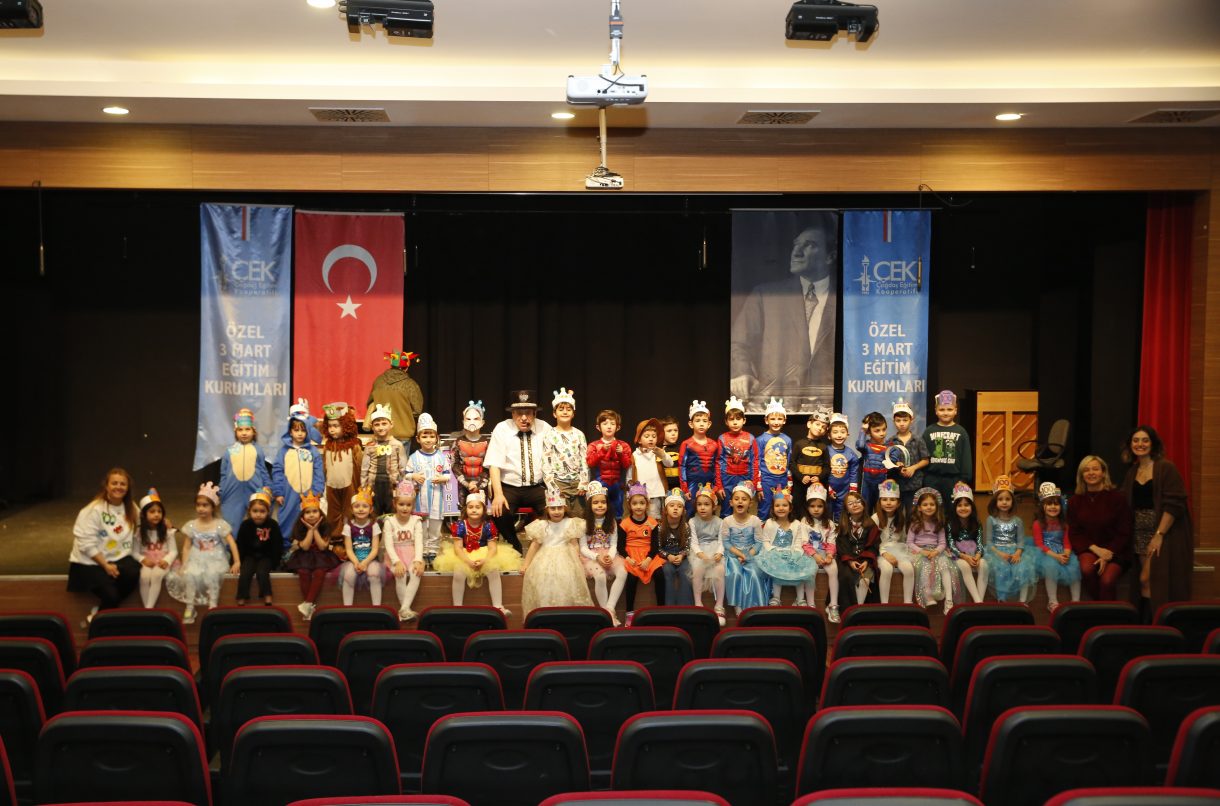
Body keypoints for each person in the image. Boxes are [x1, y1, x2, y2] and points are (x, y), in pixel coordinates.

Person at [730, 212, 838, 410]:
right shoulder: (766, 296)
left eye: (809, 245)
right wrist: (741, 372)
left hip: (828, 407)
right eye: (796, 245)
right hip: (774, 406)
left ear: (830, 256)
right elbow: (739, 343)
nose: (796, 252)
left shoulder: (845, 299)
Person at [1120, 425, 1193, 618]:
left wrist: (1159, 534)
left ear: (1153, 444)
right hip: (1139, 534)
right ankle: (1147, 626)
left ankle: (1159, 625)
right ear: (1130, 445)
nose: (1140, 444)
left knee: (1150, 578)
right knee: (1144, 582)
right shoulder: (1133, 471)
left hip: (1163, 533)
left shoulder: (1165, 468)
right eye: (1136, 440)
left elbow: (1174, 504)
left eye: (1145, 440)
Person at [68, 467, 141, 620]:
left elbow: (145, 521)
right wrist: (105, 565)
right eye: (114, 483)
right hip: (90, 562)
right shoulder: (93, 510)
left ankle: (100, 613)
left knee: (134, 573)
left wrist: (164, 523)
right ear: (106, 486)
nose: (118, 487)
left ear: (128, 488)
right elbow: (85, 543)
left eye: (123, 484)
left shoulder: (131, 507)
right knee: (111, 596)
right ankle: (99, 621)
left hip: (117, 558)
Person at [486, 389, 552, 553]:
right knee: (499, 512)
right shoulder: (502, 429)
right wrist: (498, 494)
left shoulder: (545, 428)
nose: (523, 418)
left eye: (528, 413)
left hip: (537, 487)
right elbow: (494, 464)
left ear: (535, 413)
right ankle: (514, 545)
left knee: (555, 509)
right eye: (519, 413)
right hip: (509, 487)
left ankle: (544, 548)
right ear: (512, 414)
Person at [434, 491, 520, 616]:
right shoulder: (460, 525)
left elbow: (492, 548)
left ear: (484, 510)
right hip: (464, 554)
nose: (474, 510)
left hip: (485, 553)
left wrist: (485, 560)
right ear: (466, 509)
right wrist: (468, 561)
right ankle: (457, 607)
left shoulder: (488, 525)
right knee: (459, 573)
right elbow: (458, 548)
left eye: (477, 507)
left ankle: (498, 606)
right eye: (470, 507)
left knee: (493, 571)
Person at [166, 481, 239, 624]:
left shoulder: (219, 525)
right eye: (198, 505)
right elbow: (187, 547)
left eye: (205, 505)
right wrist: (184, 564)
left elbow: (232, 543)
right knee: (190, 575)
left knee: (213, 575)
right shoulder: (192, 525)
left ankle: (213, 605)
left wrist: (237, 561)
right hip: (196, 556)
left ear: (213, 507)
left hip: (216, 557)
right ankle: (190, 606)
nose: (201, 508)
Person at [1066, 455, 1133, 601]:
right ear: (1081, 475)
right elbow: (1075, 532)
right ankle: (1101, 607)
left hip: (1116, 549)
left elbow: (1125, 531)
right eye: (1086, 470)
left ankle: (1107, 613)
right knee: (1087, 569)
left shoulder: (1118, 498)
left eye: (1095, 469)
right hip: (1089, 547)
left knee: (1107, 580)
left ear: (1103, 473)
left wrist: (1108, 552)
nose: (1091, 473)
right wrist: (1096, 549)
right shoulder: (1074, 501)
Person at [521, 490, 595, 616]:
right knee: (544, 582)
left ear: (565, 508)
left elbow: (574, 544)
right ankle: (546, 612)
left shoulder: (570, 523)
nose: (556, 511)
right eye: (553, 508)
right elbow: (534, 546)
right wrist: (526, 564)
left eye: (560, 508)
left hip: (566, 557)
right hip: (544, 558)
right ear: (547, 510)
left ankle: (566, 613)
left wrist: (578, 561)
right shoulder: (542, 525)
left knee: (567, 582)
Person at [271, 400, 324, 554]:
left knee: (308, 520)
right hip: (288, 493)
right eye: (296, 430)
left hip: (309, 495)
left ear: (307, 431)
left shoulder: (313, 451)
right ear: (290, 432)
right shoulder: (283, 451)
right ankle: (286, 550)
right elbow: (277, 471)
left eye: (303, 430)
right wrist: (278, 492)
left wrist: (317, 491)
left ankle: (306, 549)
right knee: (287, 519)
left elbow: (318, 472)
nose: (300, 433)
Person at [407, 412, 460, 558]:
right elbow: (406, 474)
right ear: (418, 439)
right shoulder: (414, 457)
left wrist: (442, 478)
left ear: (437, 438)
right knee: (422, 527)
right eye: (424, 436)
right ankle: (422, 550)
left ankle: (433, 551)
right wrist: (413, 476)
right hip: (420, 501)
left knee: (435, 527)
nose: (428, 439)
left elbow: (448, 475)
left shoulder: (441, 457)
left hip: (437, 500)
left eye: (431, 436)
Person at [283, 491, 338, 621]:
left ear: (320, 513)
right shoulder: (299, 527)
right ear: (302, 515)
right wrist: (310, 529)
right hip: (304, 555)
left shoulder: (326, 526)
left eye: (314, 511)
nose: (311, 515)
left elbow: (322, 547)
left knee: (320, 572)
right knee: (303, 571)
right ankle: (309, 607)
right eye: (307, 512)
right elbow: (305, 547)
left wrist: (316, 530)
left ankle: (307, 604)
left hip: (321, 555)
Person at [906, 487, 961, 614]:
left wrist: (936, 551)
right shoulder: (915, 523)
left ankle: (949, 600)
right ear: (919, 508)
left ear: (936, 507)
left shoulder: (939, 523)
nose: (929, 507)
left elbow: (942, 543)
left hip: (936, 551)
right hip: (919, 551)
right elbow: (909, 542)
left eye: (932, 504)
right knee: (924, 565)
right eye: (925, 504)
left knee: (945, 565)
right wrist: (921, 551)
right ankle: (928, 595)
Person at [757, 487, 815, 606]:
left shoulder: (797, 524)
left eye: (784, 505)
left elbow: (798, 541)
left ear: (790, 508)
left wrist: (795, 553)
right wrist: (774, 552)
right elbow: (765, 541)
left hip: (792, 553)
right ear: (773, 508)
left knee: (800, 568)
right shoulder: (769, 523)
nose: (781, 508)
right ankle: (776, 597)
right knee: (777, 567)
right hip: (774, 553)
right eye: (777, 505)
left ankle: (800, 599)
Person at [581, 480, 628, 625]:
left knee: (623, 572)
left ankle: (610, 608)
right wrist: (597, 557)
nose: (600, 505)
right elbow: (583, 547)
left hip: (609, 554)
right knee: (600, 576)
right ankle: (605, 611)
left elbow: (613, 544)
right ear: (589, 505)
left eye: (603, 502)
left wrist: (609, 556)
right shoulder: (583, 523)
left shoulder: (612, 521)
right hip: (591, 557)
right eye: (596, 503)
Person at [983, 474, 1036, 602]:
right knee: (1001, 568)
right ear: (995, 502)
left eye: (1008, 499)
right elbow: (988, 542)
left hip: (1014, 551)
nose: (1004, 502)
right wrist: (1000, 554)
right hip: (996, 552)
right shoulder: (991, 520)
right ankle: (1002, 599)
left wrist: (1018, 553)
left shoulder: (1017, 521)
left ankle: (1022, 601)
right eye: (1000, 499)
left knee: (1024, 567)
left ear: (1012, 502)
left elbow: (1021, 541)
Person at [721, 481, 770, 615]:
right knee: (735, 574)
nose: (740, 501)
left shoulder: (755, 520)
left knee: (754, 573)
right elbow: (726, 543)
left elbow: (758, 542)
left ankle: (754, 604)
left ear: (750, 503)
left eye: (744, 499)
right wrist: (739, 554)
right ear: (731, 503)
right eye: (736, 499)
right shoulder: (727, 521)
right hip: (733, 554)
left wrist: (748, 555)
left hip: (751, 553)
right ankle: (737, 604)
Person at [219, 407, 271, 531]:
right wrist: (222, 490)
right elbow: (224, 473)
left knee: (256, 520)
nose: (244, 433)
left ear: (253, 431)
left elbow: (263, 471)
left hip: (254, 490)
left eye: (247, 429)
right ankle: (233, 542)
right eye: (240, 430)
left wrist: (268, 487)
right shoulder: (229, 451)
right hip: (232, 492)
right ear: (235, 432)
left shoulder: (258, 450)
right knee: (231, 522)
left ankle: (254, 542)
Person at [1033, 482, 1081, 612]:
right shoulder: (1038, 524)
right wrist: (1056, 556)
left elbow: (1067, 542)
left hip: (1061, 550)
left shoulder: (1064, 524)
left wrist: (1066, 554)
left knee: (1074, 566)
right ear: (1042, 506)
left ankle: (1076, 600)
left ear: (1061, 506)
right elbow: (1039, 544)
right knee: (1050, 567)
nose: (1053, 507)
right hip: (1046, 552)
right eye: (1049, 504)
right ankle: (1052, 601)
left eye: (1056, 504)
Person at [541, 387, 590, 516]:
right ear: (554, 413)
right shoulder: (549, 435)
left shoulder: (579, 434)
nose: (565, 412)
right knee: (560, 517)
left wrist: (583, 482)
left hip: (577, 484)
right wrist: (552, 486)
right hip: (558, 483)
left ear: (573, 413)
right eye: (561, 409)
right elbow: (546, 462)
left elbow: (584, 460)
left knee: (579, 517)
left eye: (568, 409)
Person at [320, 401, 363, 544]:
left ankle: (351, 539)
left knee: (350, 513)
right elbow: (325, 467)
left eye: (336, 426)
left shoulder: (354, 446)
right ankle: (335, 539)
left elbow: (359, 466)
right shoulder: (328, 446)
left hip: (349, 485)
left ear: (345, 426)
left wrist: (360, 487)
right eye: (330, 426)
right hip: (332, 485)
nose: (332, 430)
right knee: (333, 514)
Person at [382, 479, 425, 622]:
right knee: (399, 574)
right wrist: (396, 562)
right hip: (395, 555)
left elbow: (418, 543)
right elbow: (388, 545)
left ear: (413, 505)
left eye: (408, 505)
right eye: (401, 504)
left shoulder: (416, 521)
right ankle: (405, 610)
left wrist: (418, 560)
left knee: (416, 573)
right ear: (394, 504)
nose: (405, 508)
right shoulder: (389, 521)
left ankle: (403, 610)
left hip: (411, 554)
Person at [620, 482, 665, 616]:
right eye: (635, 503)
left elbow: (655, 545)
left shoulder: (652, 523)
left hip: (649, 554)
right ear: (630, 505)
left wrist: (648, 559)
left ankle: (661, 609)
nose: (638, 506)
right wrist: (628, 558)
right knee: (631, 579)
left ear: (647, 504)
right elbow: (620, 546)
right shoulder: (624, 524)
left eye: (641, 503)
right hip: (631, 554)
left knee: (660, 575)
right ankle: (629, 613)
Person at [922, 390, 972, 508]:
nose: (945, 413)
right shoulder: (929, 431)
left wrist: (964, 479)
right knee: (933, 509)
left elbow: (966, 456)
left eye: (949, 409)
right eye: (942, 409)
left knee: (952, 509)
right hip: (932, 479)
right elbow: (923, 456)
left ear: (955, 410)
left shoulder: (961, 432)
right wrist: (923, 478)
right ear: (936, 410)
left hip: (954, 480)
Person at [235, 488, 281, 606]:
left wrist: (275, 563)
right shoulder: (245, 525)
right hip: (249, 556)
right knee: (245, 573)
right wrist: (237, 561)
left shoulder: (273, 525)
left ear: (268, 512)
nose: (258, 514)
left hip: (266, 556)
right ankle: (241, 598)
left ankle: (267, 596)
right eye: (255, 511)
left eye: (262, 511)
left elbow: (277, 545)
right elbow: (240, 544)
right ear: (249, 511)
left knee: (262, 572)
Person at [360, 403, 408, 518]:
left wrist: (404, 487)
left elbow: (403, 468)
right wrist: (363, 487)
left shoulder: (397, 445)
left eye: (384, 423)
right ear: (372, 426)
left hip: (392, 486)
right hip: (373, 486)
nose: (381, 427)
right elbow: (364, 469)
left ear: (391, 424)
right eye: (377, 424)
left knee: (391, 514)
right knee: (373, 514)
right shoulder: (369, 446)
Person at [133, 488, 178, 609]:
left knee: (157, 575)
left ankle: (148, 609)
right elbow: (134, 552)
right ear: (144, 514)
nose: (157, 514)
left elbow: (173, 551)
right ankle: (147, 608)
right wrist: (142, 559)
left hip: (163, 562)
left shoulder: (167, 531)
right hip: (147, 562)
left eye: (159, 511)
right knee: (144, 577)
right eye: (152, 512)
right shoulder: (139, 533)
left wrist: (167, 560)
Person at [365, 349, 424, 443]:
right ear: (406, 367)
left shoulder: (378, 381)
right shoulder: (410, 384)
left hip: (382, 433)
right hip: (403, 433)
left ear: (391, 365)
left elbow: (370, 403)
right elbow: (417, 409)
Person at [688, 483, 727, 625]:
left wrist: (719, 553)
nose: (702, 507)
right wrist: (700, 554)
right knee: (697, 569)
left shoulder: (720, 522)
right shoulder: (692, 521)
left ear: (714, 506)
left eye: (706, 504)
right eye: (699, 504)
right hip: (700, 551)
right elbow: (693, 542)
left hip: (715, 549)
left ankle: (719, 605)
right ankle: (698, 603)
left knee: (720, 569)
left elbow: (722, 541)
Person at [802, 483, 840, 622]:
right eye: (812, 506)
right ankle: (811, 604)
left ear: (825, 507)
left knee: (834, 569)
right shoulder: (804, 522)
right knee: (810, 572)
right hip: (810, 554)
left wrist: (829, 555)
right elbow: (804, 543)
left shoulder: (829, 523)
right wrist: (815, 555)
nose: (816, 509)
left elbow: (831, 542)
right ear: (807, 507)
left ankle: (833, 605)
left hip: (824, 554)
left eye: (819, 506)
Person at [717, 395, 760, 517]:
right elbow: (718, 462)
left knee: (743, 509)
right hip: (727, 479)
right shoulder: (722, 438)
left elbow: (755, 461)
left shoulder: (751, 438)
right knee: (726, 510)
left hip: (745, 478)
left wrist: (754, 482)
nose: (735, 422)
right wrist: (719, 485)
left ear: (744, 420)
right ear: (726, 421)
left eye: (738, 418)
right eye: (731, 419)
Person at [340, 486, 383, 606]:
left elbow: (375, 549)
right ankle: (347, 608)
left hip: (371, 559)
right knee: (348, 576)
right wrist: (356, 563)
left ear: (371, 509)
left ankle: (377, 607)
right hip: (353, 559)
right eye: (357, 506)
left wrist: (365, 563)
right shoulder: (348, 526)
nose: (360, 509)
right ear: (352, 509)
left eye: (364, 506)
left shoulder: (374, 525)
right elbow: (349, 549)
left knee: (374, 575)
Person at [587, 408, 633, 520]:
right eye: (605, 423)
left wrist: (621, 454)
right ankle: (599, 530)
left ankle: (617, 529)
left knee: (618, 511)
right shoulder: (594, 445)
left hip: (617, 484)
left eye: (612, 424)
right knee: (600, 510)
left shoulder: (623, 445)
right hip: (600, 483)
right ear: (598, 427)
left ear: (618, 427)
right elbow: (590, 463)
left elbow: (627, 465)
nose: (609, 427)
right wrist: (602, 450)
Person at [873, 480, 914, 604]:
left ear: (898, 503)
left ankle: (908, 603)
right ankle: (884, 604)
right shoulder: (875, 518)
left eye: (892, 500)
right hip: (881, 552)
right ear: (879, 502)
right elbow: (872, 542)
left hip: (898, 550)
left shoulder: (901, 517)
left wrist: (905, 552)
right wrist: (884, 553)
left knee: (909, 569)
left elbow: (903, 539)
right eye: (884, 499)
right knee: (886, 569)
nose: (888, 503)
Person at [947, 482, 989, 604]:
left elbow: (980, 542)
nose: (963, 508)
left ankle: (979, 601)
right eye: (959, 505)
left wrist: (978, 555)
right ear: (955, 508)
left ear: (972, 507)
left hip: (973, 553)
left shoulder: (976, 523)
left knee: (984, 565)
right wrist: (964, 556)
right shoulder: (950, 523)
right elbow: (951, 544)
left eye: (966, 505)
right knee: (965, 566)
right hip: (957, 555)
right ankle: (978, 601)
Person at [836, 490, 877, 609]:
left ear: (863, 504)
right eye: (850, 503)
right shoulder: (844, 525)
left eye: (858, 501)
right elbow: (841, 546)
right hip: (847, 560)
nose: (855, 504)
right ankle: (848, 610)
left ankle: (859, 609)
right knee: (846, 577)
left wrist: (866, 561)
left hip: (865, 559)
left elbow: (874, 545)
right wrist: (850, 561)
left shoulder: (871, 525)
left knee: (865, 580)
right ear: (846, 509)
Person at [887, 398, 931, 511]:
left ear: (911, 420)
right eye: (898, 420)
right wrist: (896, 466)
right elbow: (887, 461)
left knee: (913, 514)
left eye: (905, 420)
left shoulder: (918, 440)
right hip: (896, 485)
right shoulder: (890, 442)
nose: (902, 424)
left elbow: (926, 460)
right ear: (893, 421)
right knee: (897, 515)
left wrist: (913, 468)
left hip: (914, 485)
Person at [679, 400, 721, 516]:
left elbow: (717, 465)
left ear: (709, 424)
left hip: (709, 484)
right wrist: (685, 488)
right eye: (697, 421)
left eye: (704, 421)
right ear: (691, 424)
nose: (701, 424)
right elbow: (682, 466)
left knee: (710, 510)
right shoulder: (686, 444)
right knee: (690, 511)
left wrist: (717, 485)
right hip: (692, 484)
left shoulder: (714, 444)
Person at [656, 489, 695, 606]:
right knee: (667, 571)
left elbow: (688, 546)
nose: (675, 508)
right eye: (672, 505)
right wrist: (668, 556)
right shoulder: (660, 527)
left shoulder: (686, 527)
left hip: (682, 556)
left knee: (686, 571)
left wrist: (682, 555)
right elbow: (658, 547)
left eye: (679, 506)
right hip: (666, 556)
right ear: (665, 510)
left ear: (683, 511)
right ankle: (669, 605)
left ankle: (685, 606)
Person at [628, 418, 673, 519]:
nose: (651, 439)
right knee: (643, 519)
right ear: (639, 440)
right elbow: (629, 476)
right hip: (641, 495)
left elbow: (670, 464)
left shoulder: (658, 452)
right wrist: (630, 492)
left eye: (654, 436)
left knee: (657, 519)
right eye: (647, 436)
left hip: (658, 493)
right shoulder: (634, 455)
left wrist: (663, 455)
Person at [757, 398, 793, 521]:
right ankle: (762, 530)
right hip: (766, 480)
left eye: (779, 419)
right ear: (766, 420)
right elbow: (757, 462)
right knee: (765, 507)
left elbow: (788, 462)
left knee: (781, 508)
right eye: (772, 419)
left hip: (782, 480)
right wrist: (759, 485)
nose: (776, 422)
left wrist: (789, 483)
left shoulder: (787, 440)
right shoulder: (760, 440)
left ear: (784, 420)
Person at [452, 400, 490, 510]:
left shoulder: (488, 443)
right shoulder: (458, 442)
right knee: (464, 511)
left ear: (482, 422)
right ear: (463, 421)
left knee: (481, 511)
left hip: (482, 483)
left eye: (476, 419)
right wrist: (466, 483)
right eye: (468, 419)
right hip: (463, 484)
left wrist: (479, 485)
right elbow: (454, 465)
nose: (472, 422)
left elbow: (489, 467)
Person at [791, 405, 831, 505]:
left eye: (823, 427)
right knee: (798, 506)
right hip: (800, 483)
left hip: (816, 484)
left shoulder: (824, 447)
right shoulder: (799, 444)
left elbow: (827, 466)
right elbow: (792, 463)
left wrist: (819, 477)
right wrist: (801, 477)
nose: (820, 428)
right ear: (809, 424)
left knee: (815, 506)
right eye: (817, 424)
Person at [825, 413, 860, 521]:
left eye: (842, 432)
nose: (839, 435)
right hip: (828, 489)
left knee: (841, 516)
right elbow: (822, 472)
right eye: (835, 432)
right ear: (829, 435)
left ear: (847, 434)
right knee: (826, 514)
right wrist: (828, 488)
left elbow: (854, 474)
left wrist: (852, 491)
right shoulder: (825, 451)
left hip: (844, 490)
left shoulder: (851, 454)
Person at [856, 412, 889, 512]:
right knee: (866, 508)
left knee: (881, 509)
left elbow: (894, 460)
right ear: (869, 432)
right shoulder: (866, 445)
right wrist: (863, 430)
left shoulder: (889, 447)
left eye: (884, 429)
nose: (882, 433)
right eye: (877, 430)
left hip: (882, 482)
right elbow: (860, 445)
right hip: (866, 482)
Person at [659, 416, 683, 492]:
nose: (673, 433)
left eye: (675, 430)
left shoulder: (682, 448)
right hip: (661, 489)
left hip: (679, 488)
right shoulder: (657, 450)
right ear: (661, 432)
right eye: (669, 431)